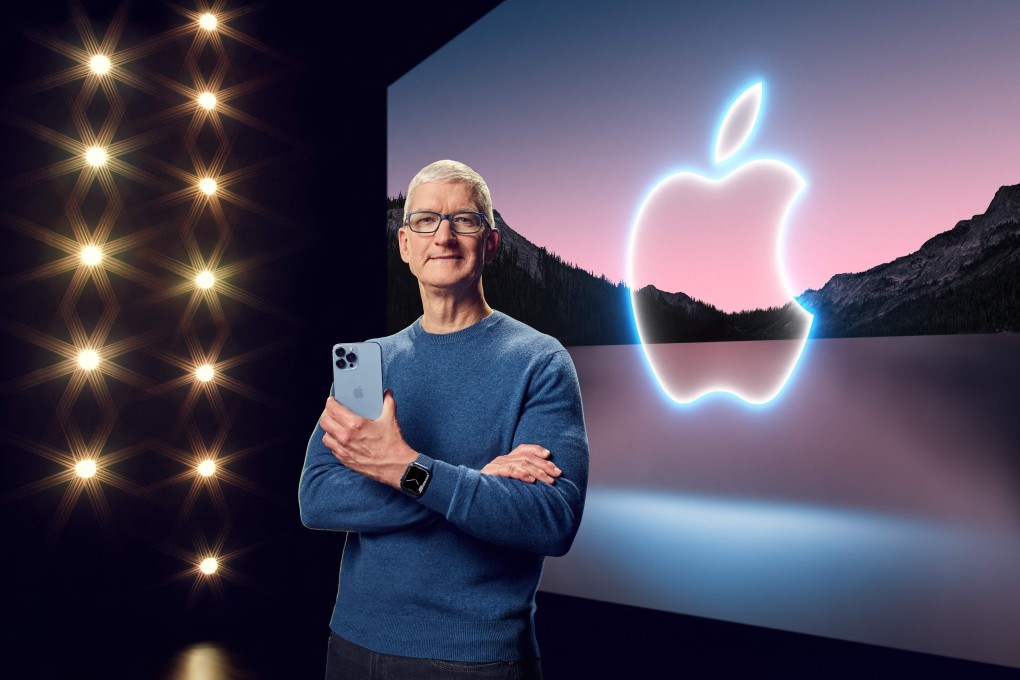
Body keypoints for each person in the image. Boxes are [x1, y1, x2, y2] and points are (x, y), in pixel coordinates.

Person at [299, 159, 589, 679]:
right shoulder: (371, 363)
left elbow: (551, 521)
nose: (445, 236)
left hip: (480, 658)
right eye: (426, 220)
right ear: (405, 243)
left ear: (491, 243)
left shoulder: (540, 361)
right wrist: (474, 485)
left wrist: (402, 467)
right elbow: (318, 498)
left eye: (466, 220)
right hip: (354, 645)